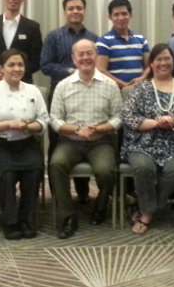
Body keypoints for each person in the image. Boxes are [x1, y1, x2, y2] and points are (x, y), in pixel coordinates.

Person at [121, 44, 174, 234]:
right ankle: (149, 212)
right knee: (143, 167)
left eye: (167, 58)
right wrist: (155, 123)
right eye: (159, 59)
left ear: (173, 62)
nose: (163, 63)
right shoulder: (141, 88)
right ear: (151, 64)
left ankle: (147, 209)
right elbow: (128, 116)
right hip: (143, 143)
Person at [48, 39, 122, 239]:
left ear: (96, 56)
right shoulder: (63, 86)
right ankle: (68, 216)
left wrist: (100, 128)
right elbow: (54, 119)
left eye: (89, 53)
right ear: (74, 58)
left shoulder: (110, 85)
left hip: (101, 140)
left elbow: (118, 117)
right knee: (56, 165)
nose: (85, 58)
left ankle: (101, 205)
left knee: (107, 171)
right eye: (80, 54)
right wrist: (76, 130)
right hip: (70, 140)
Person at [0, 49, 49, 240]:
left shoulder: (33, 90)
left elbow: (43, 120)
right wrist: (8, 124)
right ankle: (10, 221)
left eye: (20, 65)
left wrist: (27, 126)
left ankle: (26, 219)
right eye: (11, 65)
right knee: (6, 172)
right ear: (1, 68)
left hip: (25, 142)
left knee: (34, 169)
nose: (16, 69)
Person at [40, 0, 100, 204]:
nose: (75, 11)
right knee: (58, 141)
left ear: (84, 11)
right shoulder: (54, 36)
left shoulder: (94, 38)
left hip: (89, 93)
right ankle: (58, 194)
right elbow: (45, 65)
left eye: (79, 8)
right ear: (65, 12)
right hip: (61, 94)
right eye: (71, 8)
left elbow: (98, 67)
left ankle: (83, 193)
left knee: (85, 136)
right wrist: (71, 71)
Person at [96, 0, 150, 88]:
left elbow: (150, 66)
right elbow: (101, 70)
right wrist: (123, 85)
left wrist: (142, 79)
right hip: (115, 92)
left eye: (124, 14)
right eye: (116, 15)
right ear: (110, 17)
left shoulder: (141, 40)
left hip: (139, 91)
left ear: (130, 15)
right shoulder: (104, 41)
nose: (121, 18)